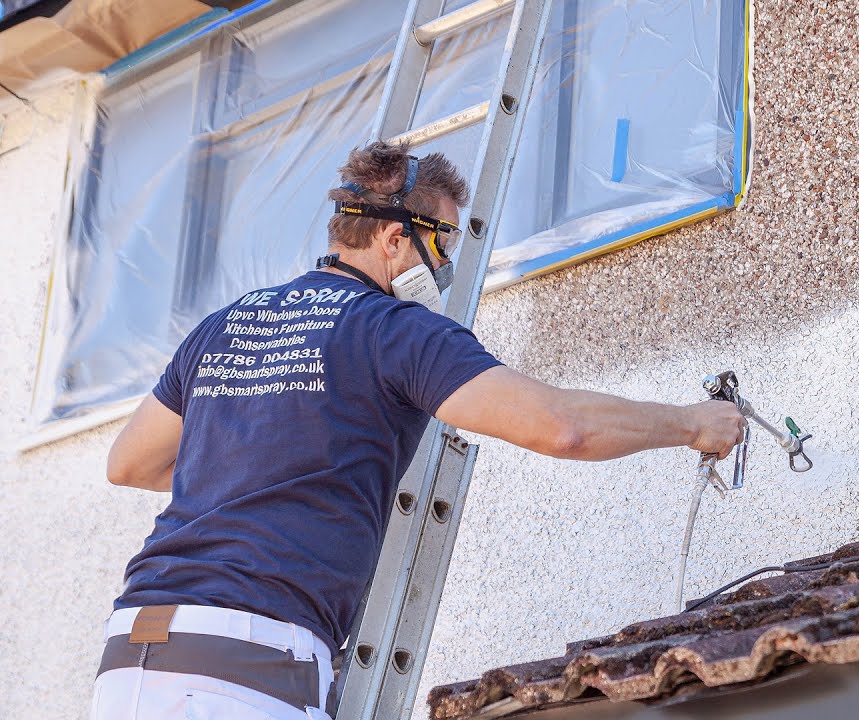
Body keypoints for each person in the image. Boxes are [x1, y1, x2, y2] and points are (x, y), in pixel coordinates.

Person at [93, 142, 745, 720]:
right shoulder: (392, 331)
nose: (444, 269)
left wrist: (252, 464)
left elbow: (129, 463)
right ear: (394, 237)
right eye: (443, 244)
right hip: (247, 672)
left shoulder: (226, 326)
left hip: (131, 664)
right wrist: (693, 424)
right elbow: (561, 428)